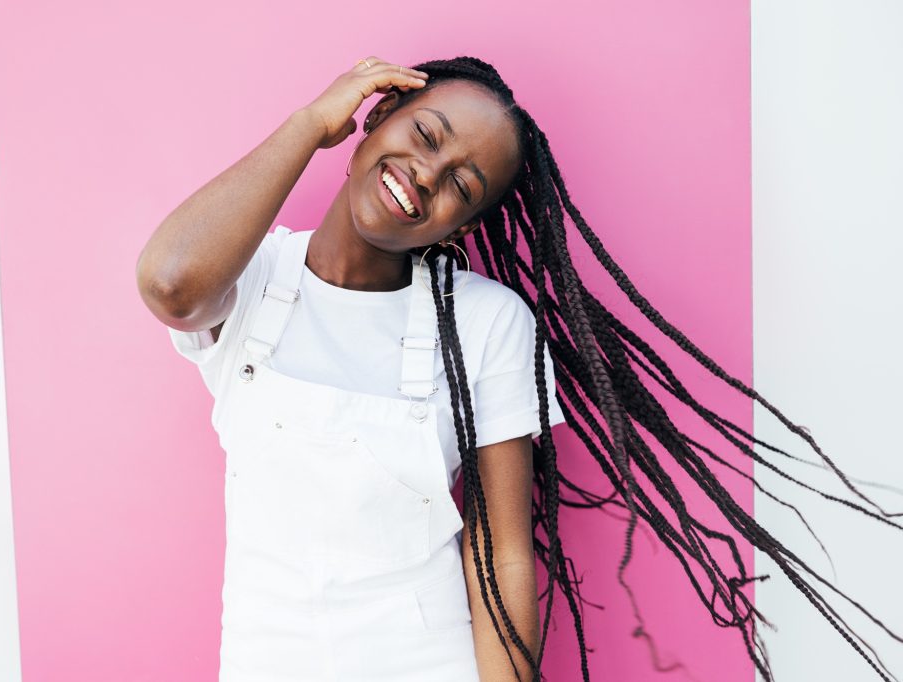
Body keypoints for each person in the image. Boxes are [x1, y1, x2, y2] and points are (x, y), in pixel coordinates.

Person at [136, 56, 899, 682]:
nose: (426, 175)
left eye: (462, 186)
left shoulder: (486, 322)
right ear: (371, 118)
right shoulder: (250, 275)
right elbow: (171, 285)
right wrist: (309, 124)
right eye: (425, 135)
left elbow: (499, 549)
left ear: (462, 224)